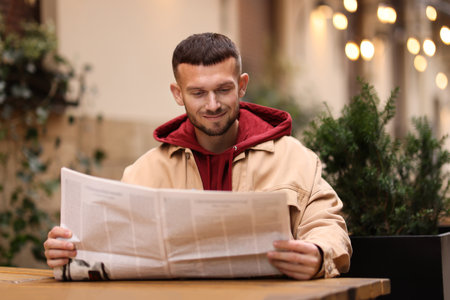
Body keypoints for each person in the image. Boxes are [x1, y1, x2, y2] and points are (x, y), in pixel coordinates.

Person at [44, 32, 351, 280]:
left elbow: (328, 224)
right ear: (178, 93)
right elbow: (111, 246)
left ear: (242, 86)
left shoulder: (295, 158)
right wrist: (69, 250)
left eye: (223, 89)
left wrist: (319, 254)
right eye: (198, 93)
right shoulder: (144, 172)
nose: (213, 104)